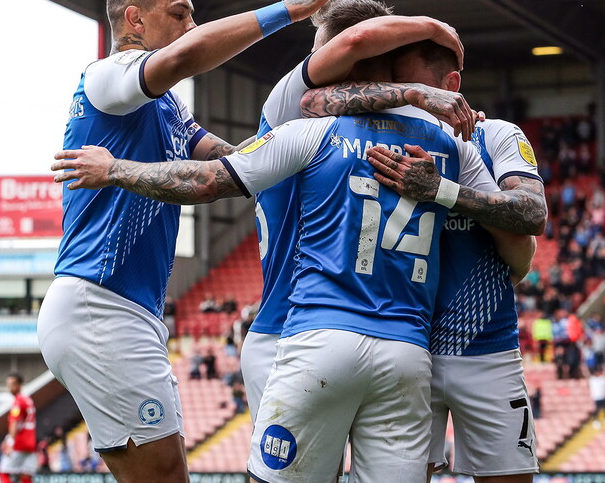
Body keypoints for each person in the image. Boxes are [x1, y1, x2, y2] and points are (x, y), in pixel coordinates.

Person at [52, 41, 534, 483]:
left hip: (320, 337)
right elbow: (519, 234)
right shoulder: (452, 147)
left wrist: (113, 169)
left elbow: (205, 181)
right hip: (406, 353)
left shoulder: (310, 132)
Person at [36, 0, 366, 483]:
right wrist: (292, 9)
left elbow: (229, 163)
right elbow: (188, 55)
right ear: (134, 20)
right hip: (99, 306)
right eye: (179, 13)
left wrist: (317, 157)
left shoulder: (165, 108)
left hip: (130, 310)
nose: (191, 25)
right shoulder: (105, 77)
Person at [241, 0, 474, 423]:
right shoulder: (294, 106)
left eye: (317, 52)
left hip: (314, 329)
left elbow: (357, 41)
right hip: (304, 326)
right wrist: (433, 28)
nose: (310, 64)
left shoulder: (305, 109)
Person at [367, 91, 546, 479]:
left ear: (451, 83)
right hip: (406, 347)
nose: (406, 91)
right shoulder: (375, 137)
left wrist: (443, 192)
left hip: (488, 346)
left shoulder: (493, 136)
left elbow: (531, 217)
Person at [0, 373, 37, 483]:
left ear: (20, 385)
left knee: (4, 472)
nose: (10, 387)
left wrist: (10, 442)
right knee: (26, 475)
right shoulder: (28, 400)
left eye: (13, 384)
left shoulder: (17, 402)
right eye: (9, 384)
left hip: (19, 443)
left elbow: (15, 423)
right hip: (30, 443)